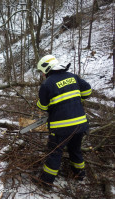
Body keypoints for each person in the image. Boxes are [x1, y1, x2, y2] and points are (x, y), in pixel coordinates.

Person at [36, 55, 92, 189]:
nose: (42, 74)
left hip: (61, 128)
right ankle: (80, 175)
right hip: (80, 124)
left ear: (47, 69)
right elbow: (88, 90)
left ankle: (46, 182)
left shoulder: (47, 84)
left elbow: (43, 106)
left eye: (42, 71)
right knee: (75, 150)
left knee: (55, 154)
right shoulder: (73, 77)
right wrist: (76, 101)